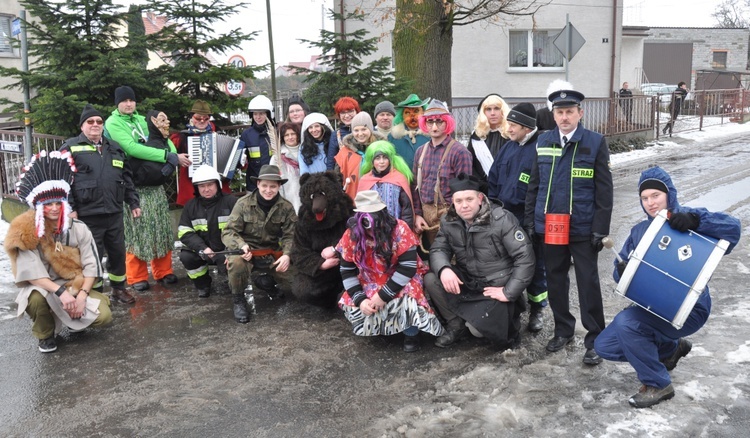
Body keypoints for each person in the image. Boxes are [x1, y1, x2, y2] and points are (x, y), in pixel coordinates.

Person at [594, 166, 741, 408]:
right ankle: (669, 349)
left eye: (656, 196)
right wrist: (622, 271)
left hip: (688, 308)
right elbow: (620, 273)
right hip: (653, 305)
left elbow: (733, 229)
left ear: (668, 194)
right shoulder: (639, 232)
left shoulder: (686, 217)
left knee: (626, 324)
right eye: (644, 198)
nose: (650, 203)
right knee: (604, 346)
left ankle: (657, 383)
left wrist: (697, 221)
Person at [524, 89, 613, 365]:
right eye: (559, 112)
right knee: (556, 280)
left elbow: (604, 190)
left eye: (569, 112)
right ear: (553, 115)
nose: (564, 117)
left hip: (583, 228)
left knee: (588, 282)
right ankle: (563, 329)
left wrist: (600, 228)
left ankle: (596, 338)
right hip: (550, 226)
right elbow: (534, 185)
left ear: (580, 113)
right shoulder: (543, 141)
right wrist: (530, 220)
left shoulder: (595, 142)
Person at [5, 151, 112, 353]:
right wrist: (62, 293)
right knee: (35, 298)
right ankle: (45, 335)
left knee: (104, 317)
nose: (54, 208)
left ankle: (74, 321)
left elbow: (92, 267)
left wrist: (81, 297)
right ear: (38, 207)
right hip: (44, 288)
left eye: (58, 203)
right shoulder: (25, 232)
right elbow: (33, 276)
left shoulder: (78, 227)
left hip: (74, 284)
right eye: (48, 204)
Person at [425, 173, 535, 350]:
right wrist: (444, 269)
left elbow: (525, 259)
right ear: (453, 202)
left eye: (469, 199)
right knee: (432, 279)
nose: (464, 205)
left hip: (496, 286)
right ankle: (456, 325)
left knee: (479, 332)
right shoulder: (448, 220)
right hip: (470, 282)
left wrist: (508, 292)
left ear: (480, 198)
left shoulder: (502, 219)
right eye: (459, 201)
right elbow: (438, 249)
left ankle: (484, 321)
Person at [333, 190, 444, 352]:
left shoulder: (400, 229)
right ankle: (382, 326)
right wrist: (360, 300)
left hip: (401, 275)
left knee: (408, 295)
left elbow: (408, 267)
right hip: (370, 278)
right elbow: (347, 270)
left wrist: (383, 295)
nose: (369, 224)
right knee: (356, 303)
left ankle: (411, 333)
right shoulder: (352, 234)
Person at [104, 86, 190, 291]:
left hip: (155, 186)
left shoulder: (144, 119)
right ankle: (136, 276)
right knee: (137, 231)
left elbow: (165, 138)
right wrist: (165, 157)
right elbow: (131, 148)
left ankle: (163, 271)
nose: (128, 104)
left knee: (161, 228)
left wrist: (172, 156)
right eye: (124, 101)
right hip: (133, 186)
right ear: (117, 103)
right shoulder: (113, 123)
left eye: (131, 100)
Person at [60, 104, 141, 305]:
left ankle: (119, 289)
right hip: (87, 215)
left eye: (98, 121)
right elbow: (62, 181)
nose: (95, 125)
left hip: (113, 212)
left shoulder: (115, 148)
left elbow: (126, 178)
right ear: (82, 126)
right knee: (91, 255)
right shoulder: (70, 147)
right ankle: (95, 292)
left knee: (117, 252)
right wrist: (70, 208)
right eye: (90, 122)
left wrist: (133, 202)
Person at [487, 103, 548, 332]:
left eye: (513, 125)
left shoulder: (541, 148)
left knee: (534, 266)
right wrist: (493, 207)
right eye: (509, 124)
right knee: (505, 263)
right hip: (503, 217)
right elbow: (493, 178)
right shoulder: (508, 147)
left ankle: (537, 307)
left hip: (528, 219)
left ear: (527, 127)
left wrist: (534, 221)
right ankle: (513, 305)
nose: (508, 129)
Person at [222, 165, 297, 324]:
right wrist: (241, 245)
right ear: (258, 185)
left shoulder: (286, 207)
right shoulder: (242, 204)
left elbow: (291, 235)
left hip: (271, 254)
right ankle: (238, 300)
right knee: (236, 264)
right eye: (264, 185)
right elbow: (228, 231)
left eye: (273, 186)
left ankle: (266, 283)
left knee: (297, 282)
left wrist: (286, 255)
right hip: (246, 253)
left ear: (279, 186)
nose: (268, 190)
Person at [411, 99, 473, 246]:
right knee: (433, 259)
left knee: (455, 260)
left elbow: (465, 192)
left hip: (452, 216)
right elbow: (415, 186)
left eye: (439, 121)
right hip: (426, 217)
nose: (434, 126)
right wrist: (418, 215)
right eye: (430, 122)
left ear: (447, 123)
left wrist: (456, 219)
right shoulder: (420, 151)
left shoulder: (459, 152)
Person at [177, 165, 238, 298]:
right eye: (202, 186)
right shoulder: (190, 206)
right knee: (186, 257)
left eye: (210, 185)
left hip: (227, 251)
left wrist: (230, 250)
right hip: (203, 251)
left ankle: (234, 284)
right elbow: (184, 232)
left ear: (218, 184)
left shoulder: (232, 202)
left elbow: (241, 229)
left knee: (234, 277)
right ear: (196, 188)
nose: (206, 189)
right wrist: (202, 248)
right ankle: (202, 284)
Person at [170, 99, 231, 207]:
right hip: (191, 188)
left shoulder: (218, 133)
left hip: (216, 188)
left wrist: (240, 159)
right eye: (198, 118)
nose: (202, 121)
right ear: (192, 118)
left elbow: (232, 158)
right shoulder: (182, 137)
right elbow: (166, 152)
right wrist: (177, 157)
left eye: (206, 118)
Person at [358, 140, 414, 229]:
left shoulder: (399, 178)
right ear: (372, 161)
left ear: (390, 159)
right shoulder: (365, 180)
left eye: (385, 157)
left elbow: (406, 209)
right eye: (377, 158)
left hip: (396, 228)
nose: (381, 161)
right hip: (372, 229)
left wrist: (406, 229)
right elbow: (360, 208)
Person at [335, 111, 385, 200]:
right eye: (356, 130)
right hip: (352, 199)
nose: (360, 134)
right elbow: (337, 177)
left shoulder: (382, 149)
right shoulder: (345, 152)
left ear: (370, 129)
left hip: (377, 199)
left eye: (364, 129)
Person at [467, 94, 510, 182]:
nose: (493, 113)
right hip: (483, 187)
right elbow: (471, 164)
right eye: (488, 109)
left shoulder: (510, 134)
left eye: (497, 108)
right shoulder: (476, 137)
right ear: (483, 112)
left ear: (503, 111)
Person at [241, 94, 276, 192]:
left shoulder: (276, 132)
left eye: (261, 113)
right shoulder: (246, 134)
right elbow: (240, 159)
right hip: (254, 184)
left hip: (273, 181)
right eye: (255, 114)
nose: (258, 117)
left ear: (268, 114)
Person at [388, 93, 431, 169]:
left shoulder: (431, 136)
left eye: (416, 111)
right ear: (402, 115)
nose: (412, 115)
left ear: (424, 113)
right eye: (407, 112)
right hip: (401, 179)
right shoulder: (393, 137)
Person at [270, 121, 302, 212]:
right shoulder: (278, 156)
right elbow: (272, 178)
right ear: (283, 138)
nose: (290, 137)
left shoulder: (306, 151)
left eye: (293, 134)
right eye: (287, 135)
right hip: (287, 196)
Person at [327, 96, 360, 171]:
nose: (347, 115)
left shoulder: (367, 130)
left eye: (350, 111)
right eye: (343, 113)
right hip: (345, 177)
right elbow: (331, 163)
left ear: (357, 112)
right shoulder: (336, 135)